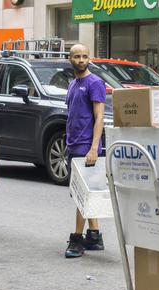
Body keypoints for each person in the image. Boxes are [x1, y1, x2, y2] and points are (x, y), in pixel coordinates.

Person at [64, 43, 106, 259]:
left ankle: (77, 240)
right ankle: (94, 236)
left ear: (90, 59)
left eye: (85, 56)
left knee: (81, 196)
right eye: (77, 56)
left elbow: (99, 117)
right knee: (84, 194)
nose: (81, 60)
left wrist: (93, 148)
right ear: (70, 59)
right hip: (73, 146)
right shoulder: (73, 84)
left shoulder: (95, 83)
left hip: (86, 148)